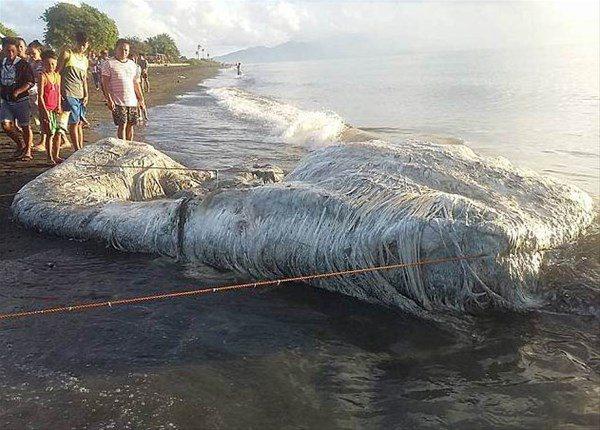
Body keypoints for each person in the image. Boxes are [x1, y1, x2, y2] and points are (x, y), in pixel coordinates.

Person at [101, 39, 145, 141]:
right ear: (116, 49)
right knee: (122, 124)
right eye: (121, 49)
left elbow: (136, 83)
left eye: (126, 50)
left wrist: (141, 99)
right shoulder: (109, 63)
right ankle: (122, 146)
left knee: (131, 125)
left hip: (132, 101)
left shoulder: (132, 65)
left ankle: (129, 145)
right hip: (118, 100)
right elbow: (105, 84)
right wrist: (109, 100)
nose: (123, 52)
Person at [0, 38, 35, 160]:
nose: (10, 54)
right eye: (7, 51)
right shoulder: (1, 63)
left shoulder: (23, 64)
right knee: (6, 125)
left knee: (25, 126)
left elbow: (30, 82)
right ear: (3, 50)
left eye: (12, 51)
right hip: (6, 100)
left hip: (21, 100)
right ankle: (20, 144)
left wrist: (18, 91)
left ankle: (28, 151)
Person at [58, 31, 89, 151]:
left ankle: (80, 148)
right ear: (76, 43)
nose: (82, 47)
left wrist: (86, 94)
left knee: (80, 123)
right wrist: (59, 92)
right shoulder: (67, 54)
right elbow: (57, 72)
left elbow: (84, 79)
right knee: (74, 122)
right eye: (80, 44)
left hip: (80, 94)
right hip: (68, 92)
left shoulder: (85, 60)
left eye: (84, 44)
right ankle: (77, 150)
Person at [38, 50, 64, 164]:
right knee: (49, 133)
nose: (51, 66)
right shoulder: (42, 77)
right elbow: (40, 96)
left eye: (53, 64)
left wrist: (59, 106)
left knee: (58, 132)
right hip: (46, 109)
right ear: (43, 64)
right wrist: (44, 112)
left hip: (55, 109)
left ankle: (56, 155)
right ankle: (49, 157)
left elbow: (58, 93)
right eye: (48, 64)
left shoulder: (57, 76)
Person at [27, 40, 46, 151]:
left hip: (39, 92)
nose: (31, 56)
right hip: (30, 92)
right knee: (35, 117)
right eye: (30, 54)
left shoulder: (42, 63)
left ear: (39, 51)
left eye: (33, 53)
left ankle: (43, 142)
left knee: (41, 116)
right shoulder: (30, 62)